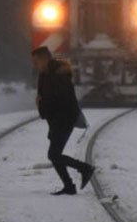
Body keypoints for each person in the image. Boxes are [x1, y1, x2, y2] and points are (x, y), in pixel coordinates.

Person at [32, 46, 94, 195]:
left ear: (45, 59)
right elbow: (44, 96)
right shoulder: (44, 75)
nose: (36, 65)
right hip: (55, 120)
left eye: (37, 61)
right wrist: (41, 103)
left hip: (64, 118)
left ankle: (85, 168)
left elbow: (61, 99)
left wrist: (43, 102)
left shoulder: (60, 75)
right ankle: (69, 186)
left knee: (54, 154)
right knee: (55, 155)